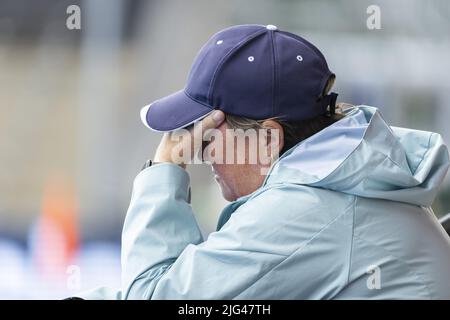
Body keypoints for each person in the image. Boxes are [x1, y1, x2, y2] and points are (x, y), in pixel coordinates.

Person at [76, 24, 450, 299]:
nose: (197, 153)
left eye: (206, 135)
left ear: (268, 139)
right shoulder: (335, 187)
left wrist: (164, 170)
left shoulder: (307, 210)